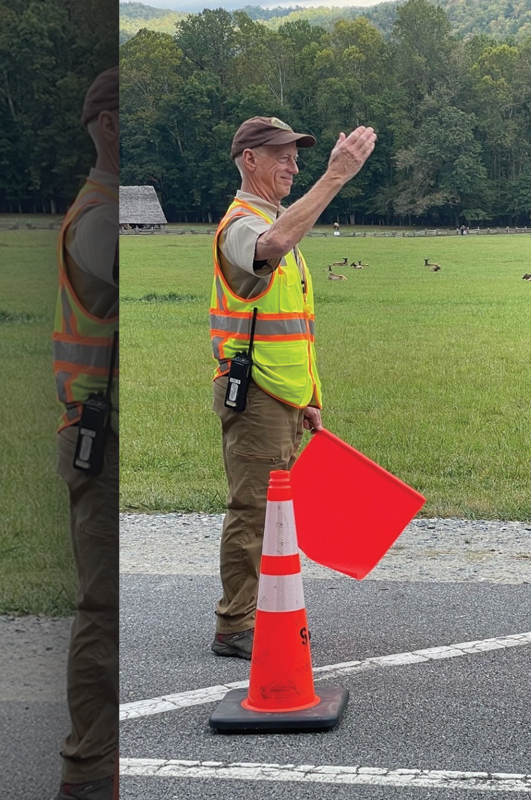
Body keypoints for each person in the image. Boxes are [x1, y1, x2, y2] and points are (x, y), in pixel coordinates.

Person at [209, 116, 376, 659]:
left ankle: (261, 615)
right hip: (255, 395)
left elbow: (293, 322)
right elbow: (271, 245)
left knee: (272, 512)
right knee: (253, 509)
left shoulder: (278, 220)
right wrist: (334, 178)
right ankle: (236, 625)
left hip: (281, 397)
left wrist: (309, 397)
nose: (294, 164)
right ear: (249, 159)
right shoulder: (241, 225)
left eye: (297, 155)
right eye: (281, 154)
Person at [53, 66, 119, 800]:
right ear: (108, 125)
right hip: (103, 439)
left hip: (102, 432)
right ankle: (91, 769)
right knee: (103, 608)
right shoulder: (100, 219)